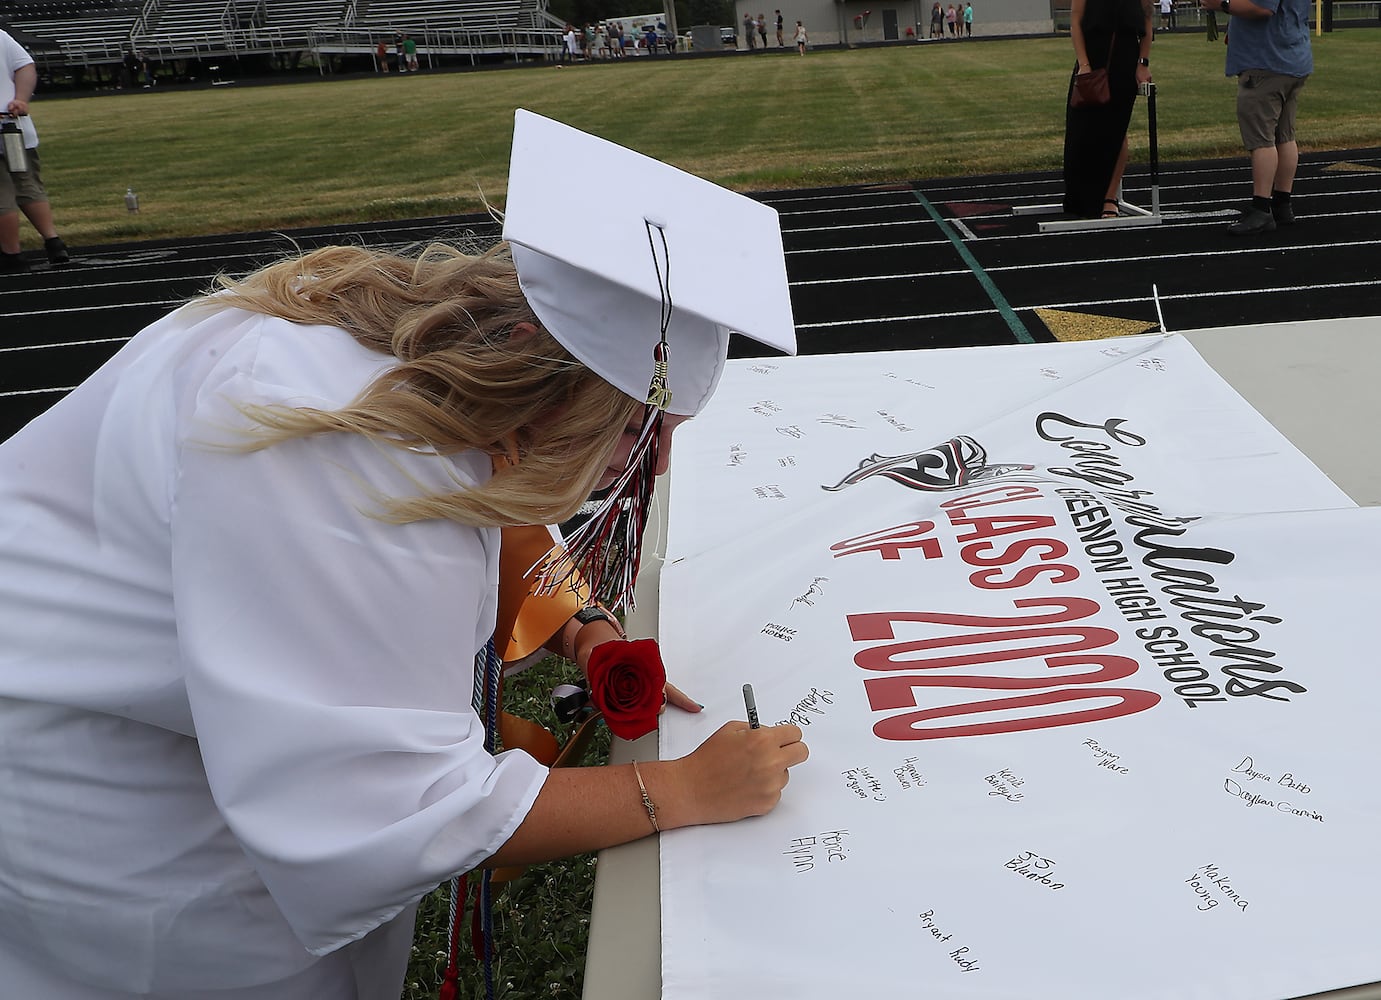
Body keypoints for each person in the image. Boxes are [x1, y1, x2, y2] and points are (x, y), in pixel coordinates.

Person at [0, 109, 809, 998]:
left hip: (172, 714)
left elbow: (483, 488)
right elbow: (401, 810)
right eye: (629, 435)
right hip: (108, 795)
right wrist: (683, 790)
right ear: (556, 392)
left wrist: (580, 623)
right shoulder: (333, 463)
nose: (641, 464)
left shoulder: (409, 346)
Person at [1199, 0, 1311, 235]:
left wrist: (1222, 4)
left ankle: (1261, 209)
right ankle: (1282, 203)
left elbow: (1262, 7)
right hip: (1291, 56)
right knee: (1285, 136)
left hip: (1266, 61)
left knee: (1262, 139)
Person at [1061, 0, 1154, 219]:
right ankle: (1080, 197)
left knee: (1116, 131)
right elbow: (1075, 21)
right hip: (1091, 61)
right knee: (1080, 132)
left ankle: (1109, 198)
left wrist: (1143, 64)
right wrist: (1084, 64)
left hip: (1125, 64)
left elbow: (1147, 27)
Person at [0, 28, 69, 273]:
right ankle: (53, 241)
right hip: (13, 122)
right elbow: (25, 66)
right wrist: (21, 99)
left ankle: (11, 253)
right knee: (29, 185)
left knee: (2, 195)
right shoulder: (1, 36)